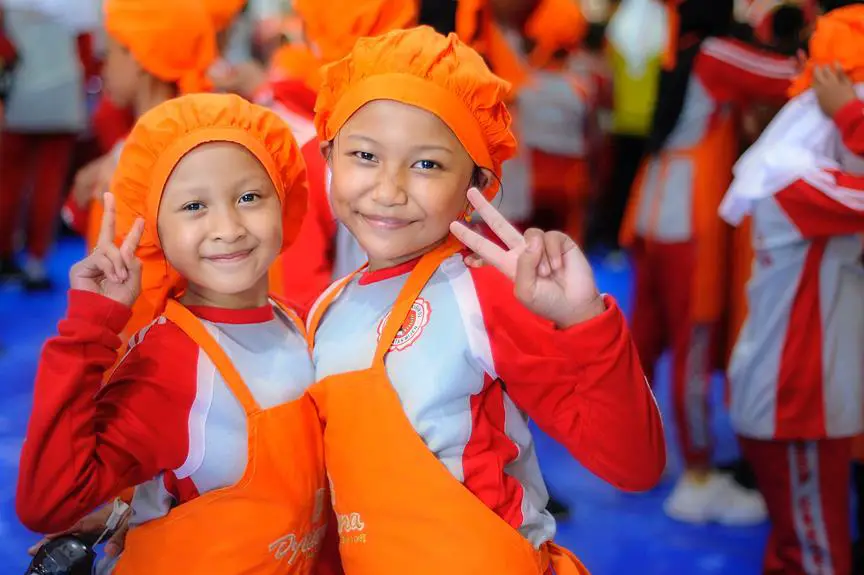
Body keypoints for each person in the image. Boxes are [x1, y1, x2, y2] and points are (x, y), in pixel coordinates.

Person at [305, 26, 665, 573]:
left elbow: (633, 464)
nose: (389, 188)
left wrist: (584, 323)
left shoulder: (482, 294)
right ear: (329, 156)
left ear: (480, 185)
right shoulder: (326, 310)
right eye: (365, 155)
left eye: (427, 164)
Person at [16, 93, 329, 573]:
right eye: (194, 205)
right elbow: (51, 502)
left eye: (248, 197)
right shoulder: (168, 363)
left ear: (283, 197)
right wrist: (86, 331)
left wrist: (125, 508)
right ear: (154, 230)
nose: (227, 227)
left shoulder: (306, 326)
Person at [619, 0, 800, 525]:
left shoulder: (686, 48)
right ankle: (697, 476)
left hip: (652, 205)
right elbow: (794, 75)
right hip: (687, 216)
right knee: (692, 348)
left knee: (645, 344)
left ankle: (634, 454)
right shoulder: (720, 52)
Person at [719, 4, 864, 572]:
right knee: (817, 558)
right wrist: (851, 115)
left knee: (795, 550)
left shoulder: (801, 165)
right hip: (795, 403)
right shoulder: (796, 174)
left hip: (798, 396)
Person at [0, 0, 96, 289]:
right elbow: (87, 54)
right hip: (63, 97)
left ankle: (5, 253)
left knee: (8, 180)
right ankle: (37, 262)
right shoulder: (80, 6)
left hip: (18, 96)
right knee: (49, 183)